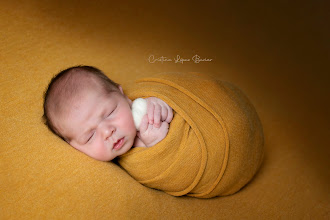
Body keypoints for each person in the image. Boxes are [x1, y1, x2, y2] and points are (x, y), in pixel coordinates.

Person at [43, 65, 173, 161]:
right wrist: (157, 146)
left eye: (109, 113)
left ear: (122, 95)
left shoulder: (144, 105)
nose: (107, 132)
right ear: (75, 148)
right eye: (90, 136)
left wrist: (163, 101)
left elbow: (173, 90)